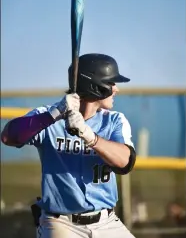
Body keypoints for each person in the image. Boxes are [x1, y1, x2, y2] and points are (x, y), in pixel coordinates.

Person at [1, 53, 136, 238]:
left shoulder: (114, 121)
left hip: (106, 221)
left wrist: (89, 136)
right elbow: (9, 136)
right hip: (61, 223)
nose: (116, 89)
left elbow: (125, 162)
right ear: (96, 86)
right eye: (112, 83)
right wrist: (54, 114)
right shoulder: (49, 117)